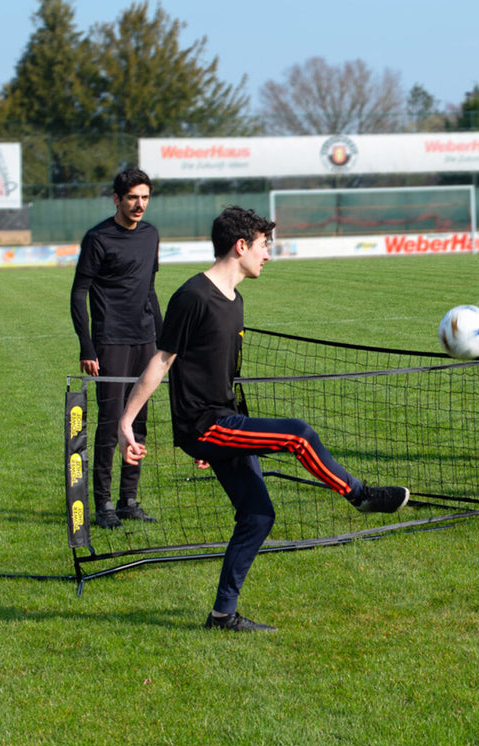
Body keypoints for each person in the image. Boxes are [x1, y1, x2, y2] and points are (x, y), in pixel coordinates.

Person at [118, 206, 408, 632]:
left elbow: (221, 376)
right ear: (241, 246)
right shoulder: (193, 296)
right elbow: (162, 362)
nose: (268, 254)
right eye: (263, 245)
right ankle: (360, 496)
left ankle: (222, 615)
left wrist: (223, 443)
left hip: (222, 424)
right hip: (204, 424)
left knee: (257, 515)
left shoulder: (235, 301)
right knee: (298, 434)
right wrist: (127, 422)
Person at [70, 168, 163, 529]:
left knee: (138, 421)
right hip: (110, 341)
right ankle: (104, 505)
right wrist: (87, 345)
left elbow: (150, 290)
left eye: (145, 197)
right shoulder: (98, 238)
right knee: (110, 425)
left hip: (146, 341)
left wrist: (164, 340)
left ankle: (128, 501)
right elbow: (79, 292)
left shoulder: (151, 235)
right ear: (117, 199)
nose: (139, 205)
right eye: (132, 198)